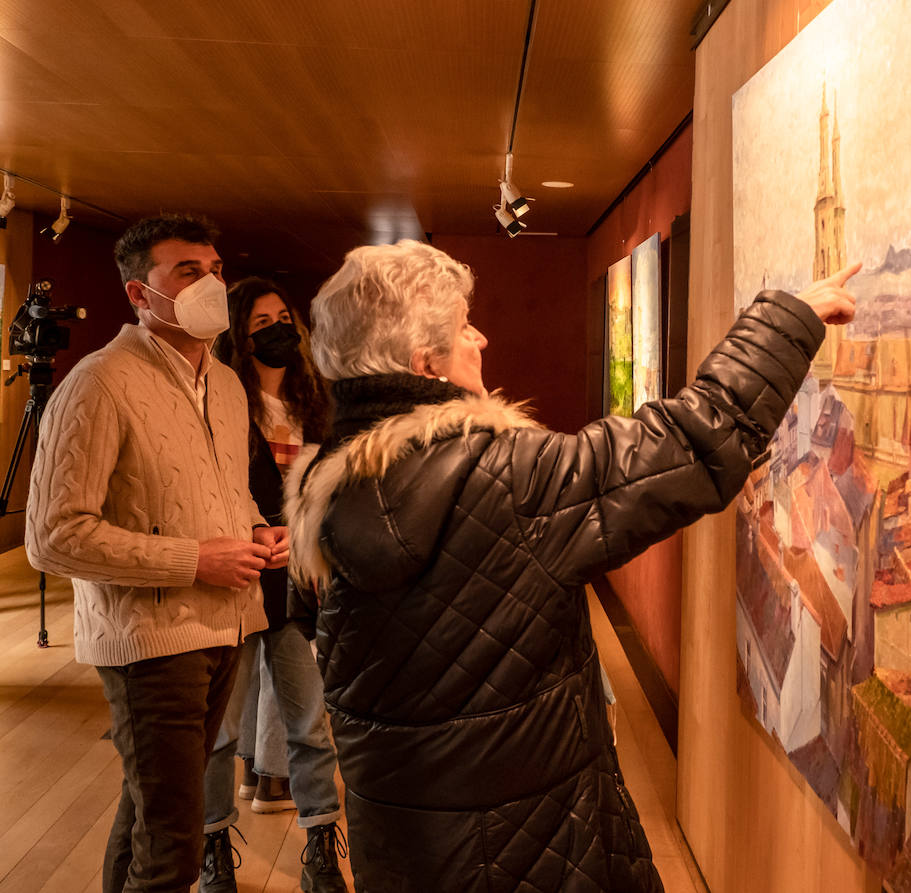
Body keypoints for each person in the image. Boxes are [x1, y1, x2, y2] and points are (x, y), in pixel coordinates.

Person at [284, 239, 859, 892]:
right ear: (427, 363)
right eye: (463, 327)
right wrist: (790, 317)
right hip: (532, 841)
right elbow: (689, 443)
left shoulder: (326, 494)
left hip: (403, 848)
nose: (482, 337)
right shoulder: (501, 481)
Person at [25, 214, 290, 893]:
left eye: (217, 269)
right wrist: (193, 560)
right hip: (149, 639)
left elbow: (221, 493)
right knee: (175, 837)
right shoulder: (100, 381)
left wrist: (259, 529)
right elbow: (53, 535)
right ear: (139, 294)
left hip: (227, 625)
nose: (212, 284)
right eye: (189, 272)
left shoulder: (227, 386)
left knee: (149, 815)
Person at [199, 277, 346, 892]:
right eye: (261, 323)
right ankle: (212, 850)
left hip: (298, 582)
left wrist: (309, 535)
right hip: (235, 576)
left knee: (309, 719)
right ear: (239, 332)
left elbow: (333, 486)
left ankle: (319, 848)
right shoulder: (221, 399)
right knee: (218, 729)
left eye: (283, 318)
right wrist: (252, 532)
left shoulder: (318, 403)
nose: (276, 330)